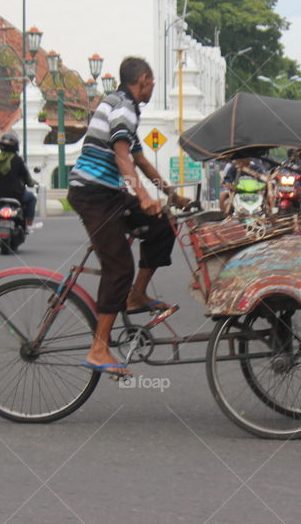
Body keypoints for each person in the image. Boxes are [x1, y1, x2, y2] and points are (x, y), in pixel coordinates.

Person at [67, 57, 190, 378]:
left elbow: (140, 160)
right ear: (145, 80)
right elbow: (122, 157)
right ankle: (98, 349)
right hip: (92, 194)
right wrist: (145, 197)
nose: (152, 88)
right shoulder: (122, 106)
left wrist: (170, 195)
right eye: (152, 83)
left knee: (164, 224)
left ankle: (136, 297)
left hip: (110, 193)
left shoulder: (128, 108)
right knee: (119, 267)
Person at [0, 132, 37, 229]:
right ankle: (29, 223)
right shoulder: (18, 160)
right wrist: (31, 184)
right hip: (16, 194)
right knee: (32, 198)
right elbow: (26, 178)